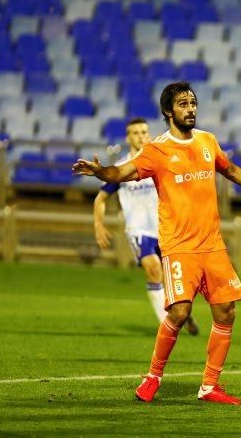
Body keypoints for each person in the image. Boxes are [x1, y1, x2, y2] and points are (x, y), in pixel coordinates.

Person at [72, 82, 241, 405]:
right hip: (179, 247)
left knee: (226, 311)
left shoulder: (207, 141)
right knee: (178, 312)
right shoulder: (157, 151)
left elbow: (230, 170)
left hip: (212, 245)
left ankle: (209, 386)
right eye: (183, 104)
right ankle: (152, 377)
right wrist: (100, 171)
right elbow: (121, 173)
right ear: (168, 111)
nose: (190, 108)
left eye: (193, 103)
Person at [92, 117, 198, 336]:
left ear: (149, 135)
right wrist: (98, 225)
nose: (141, 136)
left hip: (167, 229)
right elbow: (100, 199)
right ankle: (167, 327)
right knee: (153, 269)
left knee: (174, 281)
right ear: (128, 137)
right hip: (139, 231)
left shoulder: (160, 161)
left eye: (144, 132)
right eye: (136, 132)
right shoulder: (122, 168)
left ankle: (178, 311)